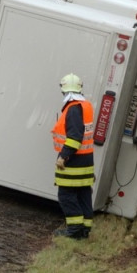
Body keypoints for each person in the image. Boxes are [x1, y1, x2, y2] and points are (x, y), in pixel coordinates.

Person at [50, 73, 95, 240]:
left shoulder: (74, 109)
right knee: (83, 194)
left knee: (66, 195)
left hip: (74, 162)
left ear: (65, 91)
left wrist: (63, 156)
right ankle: (84, 229)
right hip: (86, 160)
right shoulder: (85, 106)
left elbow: (75, 137)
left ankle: (75, 230)